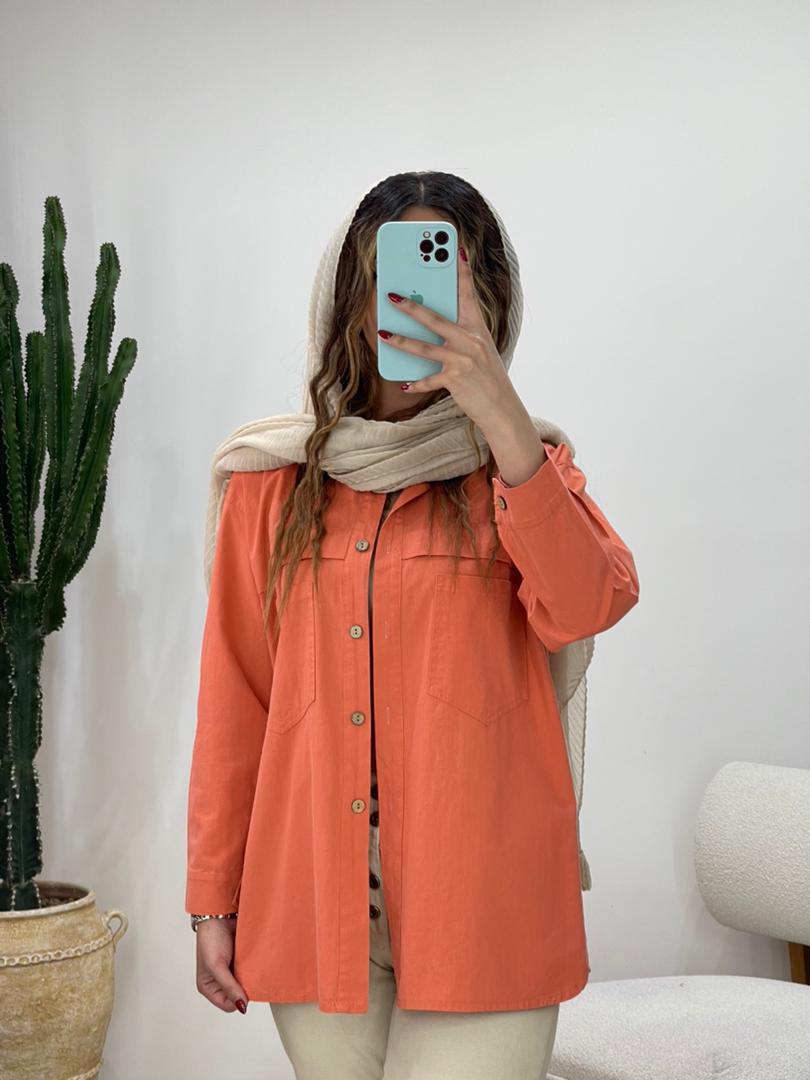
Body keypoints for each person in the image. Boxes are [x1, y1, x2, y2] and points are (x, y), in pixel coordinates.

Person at [185, 170, 640, 1079]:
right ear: (350, 299)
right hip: (314, 901)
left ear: (491, 302)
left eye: (447, 282)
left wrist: (499, 410)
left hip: (484, 906)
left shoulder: (525, 469)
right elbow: (237, 702)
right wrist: (211, 901)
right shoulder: (271, 484)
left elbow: (590, 604)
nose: (413, 307)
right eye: (390, 280)